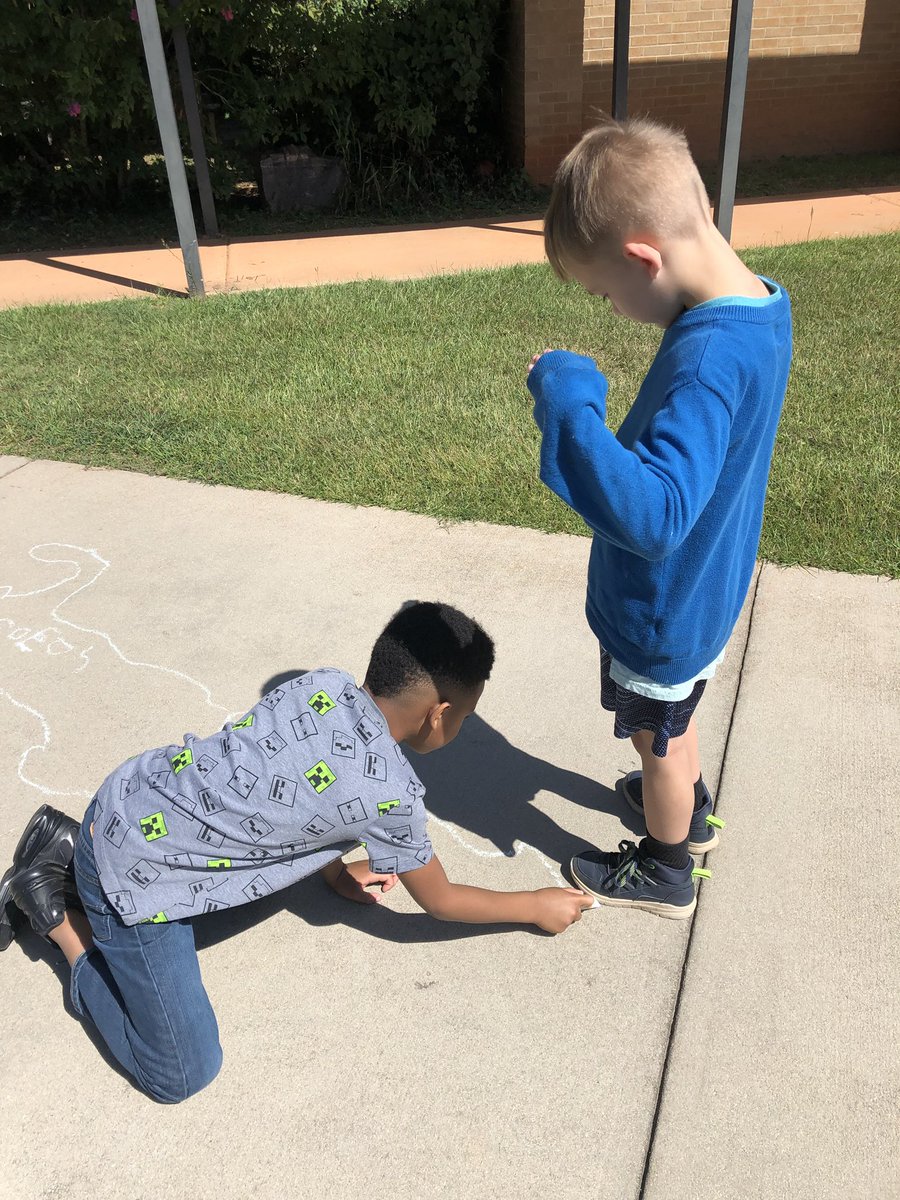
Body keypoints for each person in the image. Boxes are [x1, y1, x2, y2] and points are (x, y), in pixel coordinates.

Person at [0, 601, 591, 1101]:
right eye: (464, 717)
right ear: (438, 714)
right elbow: (441, 900)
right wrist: (535, 905)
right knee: (181, 1071)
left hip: (127, 796)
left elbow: (289, 797)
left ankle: (67, 843)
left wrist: (332, 874)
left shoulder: (322, 685)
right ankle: (55, 911)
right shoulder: (391, 794)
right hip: (133, 882)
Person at [526, 115, 792, 919]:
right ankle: (689, 807)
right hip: (707, 591)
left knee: (659, 737)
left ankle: (668, 864)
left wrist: (569, 403)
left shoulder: (706, 361)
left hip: (665, 608)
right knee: (675, 720)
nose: (611, 308)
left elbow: (656, 514)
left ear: (645, 257)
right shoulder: (760, 308)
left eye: (607, 291)